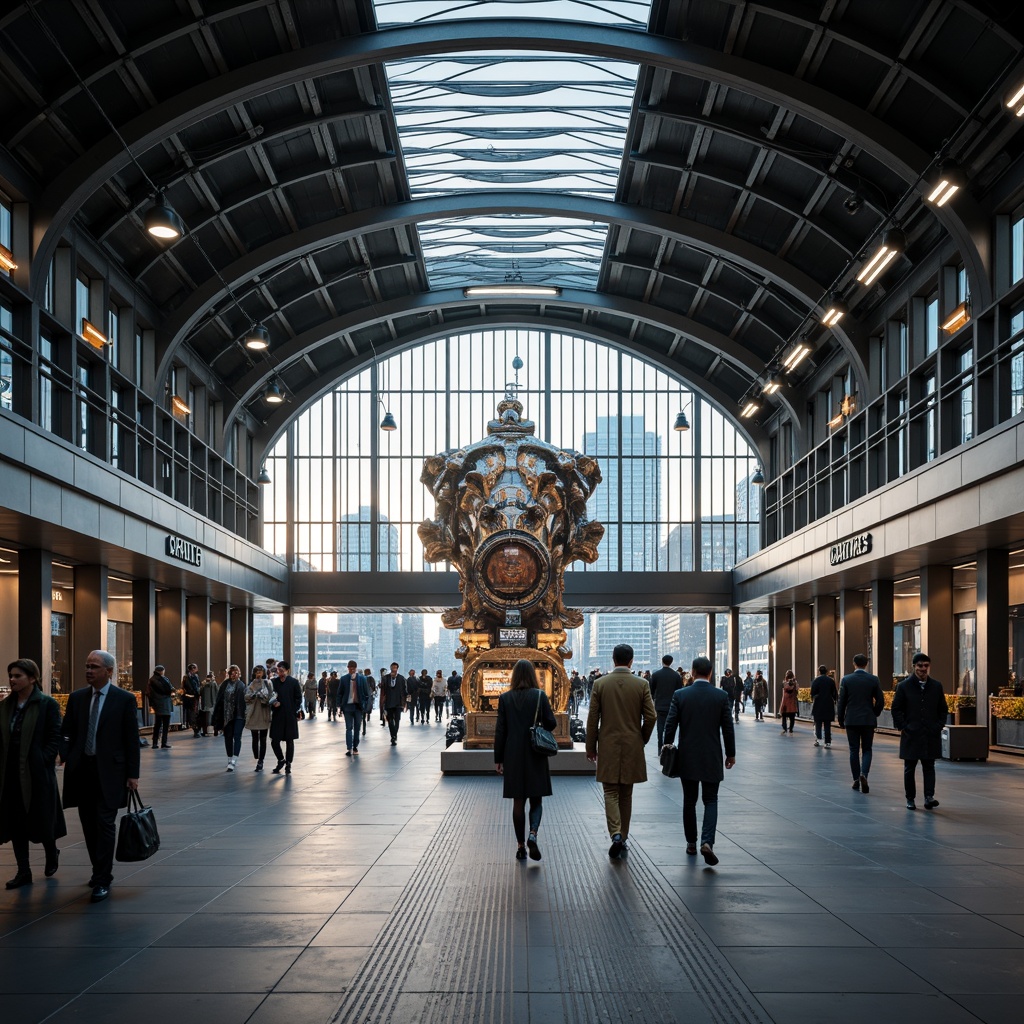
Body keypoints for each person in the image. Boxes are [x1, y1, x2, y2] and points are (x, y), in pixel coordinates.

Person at [59, 650, 140, 903]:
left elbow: (131, 740)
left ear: (109, 671)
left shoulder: (124, 699)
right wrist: (64, 754)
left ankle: (103, 878)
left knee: (105, 823)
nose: (88, 671)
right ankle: (99, 869)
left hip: (111, 772)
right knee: (88, 824)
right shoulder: (77, 698)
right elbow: (67, 731)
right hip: (82, 771)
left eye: (94, 666)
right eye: (87, 665)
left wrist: (132, 774)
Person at [662, 655, 736, 866]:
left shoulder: (680, 695)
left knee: (689, 801)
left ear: (692, 672)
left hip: (688, 756)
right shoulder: (720, 696)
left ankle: (691, 844)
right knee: (711, 800)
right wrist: (730, 754)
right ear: (711, 673)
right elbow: (727, 729)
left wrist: (666, 748)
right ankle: (707, 842)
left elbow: (670, 724)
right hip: (712, 755)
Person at [585, 643, 656, 859]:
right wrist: (641, 738)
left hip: (608, 744)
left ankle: (615, 833)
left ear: (613, 659)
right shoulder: (642, 684)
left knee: (610, 792)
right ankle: (623, 837)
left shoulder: (600, 684)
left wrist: (591, 747)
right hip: (633, 744)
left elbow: (593, 719)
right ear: (631, 660)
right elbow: (651, 716)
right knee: (627, 793)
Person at [1, 658, 67, 888]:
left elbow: (55, 735)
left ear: (32, 678)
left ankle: (51, 851)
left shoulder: (46, 704)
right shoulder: (6, 706)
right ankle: (23, 870)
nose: (12, 680)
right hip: (11, 773)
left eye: (17, 676)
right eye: (11, 675)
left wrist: (44, 759)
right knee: (16, 821)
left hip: (36, 772)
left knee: (42, 816)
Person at [495, 659, 558, 862]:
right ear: (532, 675)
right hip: (535, 752)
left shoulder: (505, 698)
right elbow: (551, 723)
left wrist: (498, 759)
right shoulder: (539, 696)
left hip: (512, 753)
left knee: (518, 801)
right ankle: (533, 834)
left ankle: (520, 846)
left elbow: (500, 731)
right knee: (536, 798)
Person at [891, 653, 947, 810]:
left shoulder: (936, 686)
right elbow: (896, 709)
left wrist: (938, 726)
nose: (923, 669)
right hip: (911, 734)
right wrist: (904, 726)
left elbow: (943, 709)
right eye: (920, 666)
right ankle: (910, 798)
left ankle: (929, 796)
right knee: (910, 768)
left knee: (929, 766)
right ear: (914, 666)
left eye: (926, 666)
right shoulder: (904, 686)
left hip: (930, 734)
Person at [836, 653, 884, 793]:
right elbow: (881, 701)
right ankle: (864, 774)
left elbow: (841, 702)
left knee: (853, 750)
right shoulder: (873, 680)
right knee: (867, 749)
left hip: (851, 720)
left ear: (854, 663)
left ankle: (856, 779)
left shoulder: (846, 680)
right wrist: (874, 712)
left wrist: (840, 718)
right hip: (868, 720)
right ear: (866, 664)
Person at [270, 661, 303, 773]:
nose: (280, 672)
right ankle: (281, 759)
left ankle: (288, 763)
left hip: (289, 715)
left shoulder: (293, 682)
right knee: (274, 741)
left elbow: (298, 698)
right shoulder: (273, 682)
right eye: (278, 670)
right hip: (278, 715)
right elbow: (269, 695)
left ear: (287, 670)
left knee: (289, 740)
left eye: (282, 670)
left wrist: (294, 709)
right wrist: (274, 703)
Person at [214, 665, 247, 770]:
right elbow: (219, 700)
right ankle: (229, 758)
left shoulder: (241, 685)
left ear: (239, 674)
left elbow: (244, 701)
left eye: (236, 673)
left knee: (237, 737)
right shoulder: (224, 684)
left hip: (239, 715)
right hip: (226, 716)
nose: (234, 675)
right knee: (228, 737)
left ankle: (234, 760)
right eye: (232, 673)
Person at [244, 665, 274, 772]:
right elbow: (246, 697)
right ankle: (257, 755)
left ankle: (261, 761)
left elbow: (271, 697)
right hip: (253, 712)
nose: (258, 674)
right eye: (256, 671)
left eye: (260, 672)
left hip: (264, 712)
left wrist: (263, 696)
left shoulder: (268, 683)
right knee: (254, 738)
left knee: (263, 738)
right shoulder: (251, 684)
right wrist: (252, 696)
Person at [649, 654, 680, 750]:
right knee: (670, 727)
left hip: (660, 706)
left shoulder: (656, 675)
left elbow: (651, 691)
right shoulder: (676, 675)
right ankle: (669, 747)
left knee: (660, 727)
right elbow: (679, 691)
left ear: (662, 661)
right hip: (672, 706)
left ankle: (660, 748)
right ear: (671, 662)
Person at [339, 660, 369, 756]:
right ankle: (349, 748)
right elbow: (340, 693)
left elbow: (366, 693)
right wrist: (339, 706)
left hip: (358, 707)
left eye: (353, 667)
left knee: (357, 728)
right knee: (349, 728)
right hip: (347, 707)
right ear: (348, 668)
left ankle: (355, 746)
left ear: (356, 668)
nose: (352, 669)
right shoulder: (343, 679)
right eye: (350, 667)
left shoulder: (362, 679)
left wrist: (365, 706)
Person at [810, 665, 838, 747]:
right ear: (826, 671)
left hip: (818, 704)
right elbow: (834, 694)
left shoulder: (816, 681)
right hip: (828, 704)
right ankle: (828, 742)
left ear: (819, 671)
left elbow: (812, 693)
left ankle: (818, 740)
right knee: (827, 724)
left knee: (818, 723)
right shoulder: (831, 681)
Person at [148, 664, 174, 749]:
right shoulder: (158, 680)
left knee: (159, 724)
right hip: (162, 704)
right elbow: (167, 689)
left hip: (160, 704)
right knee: (163, 724)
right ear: (161, 671)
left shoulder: (153, 680)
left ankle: (157, 743)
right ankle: (162, 742)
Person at [382, 663, 407, 745]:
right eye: (393, 667)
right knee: (390, 720)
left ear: (397, 668)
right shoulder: (386, 678)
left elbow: (404, 691)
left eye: (395, 667)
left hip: (398, 702)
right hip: (389, 702)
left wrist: (405, 702)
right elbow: (383, 690)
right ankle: (393, 735)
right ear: (390, 668)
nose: (394, 669)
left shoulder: (401, 678)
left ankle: (394, 735)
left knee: (397, 720)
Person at [181, 663, 201, 736]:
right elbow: (187, 687)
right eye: (195, 668)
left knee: (196, 713)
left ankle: (197, 728)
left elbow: (197, 685)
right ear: (192, 669)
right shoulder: (186, 677)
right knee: (192, 714)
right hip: (190, 698)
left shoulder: (195, 676)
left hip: (195, 697)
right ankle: (195, 729)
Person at [199, 671, 219, 736]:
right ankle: (206, 731)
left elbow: (217, 692)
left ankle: (214, 730)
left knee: (212, 718)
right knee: (207, 719)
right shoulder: (204, 684)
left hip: (212, 703)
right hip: (207, 704)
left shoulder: (213, 684)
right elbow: (200, 692)